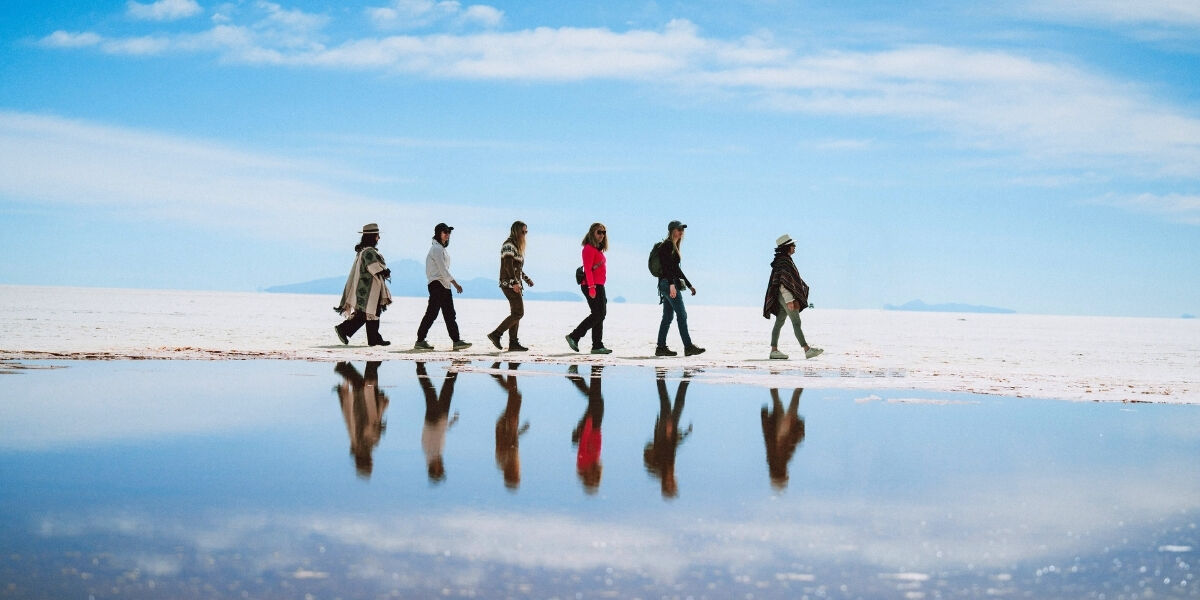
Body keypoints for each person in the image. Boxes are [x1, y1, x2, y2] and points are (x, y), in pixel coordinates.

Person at [763, 234, 822, 360]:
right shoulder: (784, 261)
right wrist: (789, 300)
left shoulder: (783, 260)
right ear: (787, 247)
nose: (795, 247)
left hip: (782, 296)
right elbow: (783, 283)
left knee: (779, 321)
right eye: (792, 245)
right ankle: (807, 350)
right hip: (786, 296)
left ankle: (774, 350)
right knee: (796, 322)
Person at [416, 223, 471, 351]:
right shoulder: (436, 249)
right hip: (437, 284)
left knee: (449, 314)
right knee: (432, 314)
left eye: (449, 232)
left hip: (443, 285)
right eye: (445, 232)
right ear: (438, 233)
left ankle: (456, 341)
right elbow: (442, 269)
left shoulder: (441, 248)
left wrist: (450, 284)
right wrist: (455, 283)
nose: (447, 234)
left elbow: (444, 269)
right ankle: (420, 340)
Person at [335, 223, 392, 346]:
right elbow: (373, 267)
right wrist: (385, 271)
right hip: (368, 290)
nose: (379, 238)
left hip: (366, 288)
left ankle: (374, 338)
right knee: (367, 314)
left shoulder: (364, 251)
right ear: (372, 236)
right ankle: (344, 329)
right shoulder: (369, 252)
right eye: (377, 236)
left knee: (371, 313)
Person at [656, 221, 705, 357]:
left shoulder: (674, 246)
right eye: (679, 229)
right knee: (682, 315)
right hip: (668, 284)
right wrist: (672, 285)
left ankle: (661, 347)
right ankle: (688, 346)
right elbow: (667, 267)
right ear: (672, 230)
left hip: (667, 284)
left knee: (667, 317)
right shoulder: (666, 245)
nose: (681, 231)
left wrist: (689, 285)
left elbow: (676, 269)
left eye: (682, 229)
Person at [334, 361, 389, 479]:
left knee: (370, 374)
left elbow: (354, 418)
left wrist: (381, 406)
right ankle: (343, 368)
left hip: (365, 403)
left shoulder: (364, 442)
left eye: (369, 464)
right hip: (367, 401)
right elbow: (374, 422)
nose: (372, 462)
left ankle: (343, 368)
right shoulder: (365, 443)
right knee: (367, 377)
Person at [644, 367, 693, 498]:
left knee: (667, 402)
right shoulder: (667, 470)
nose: (673, 481)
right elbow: (672, 449)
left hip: (665, 433)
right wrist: (684, 435)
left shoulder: (661, 469)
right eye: (674, 484)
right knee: (674, 402)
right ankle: (684, 375)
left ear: (665, 484)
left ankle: (663, 374)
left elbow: (663, 449)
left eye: (671, 484)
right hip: (668, 434)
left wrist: (667, 431)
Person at [487, 221, 535, 352]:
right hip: (509, 284)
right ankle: (496, 334)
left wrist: (526, 279)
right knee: (519, 312)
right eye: (523, 231)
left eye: (526, 232)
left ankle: (513, 343)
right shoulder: (508, 245)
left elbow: (517, 268)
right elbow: (508, 266)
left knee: (516, 313)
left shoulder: (516, 246)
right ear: (516, 231)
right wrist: (514, 283)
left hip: (515, 284)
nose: (525, 234)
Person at [566, 223, 611, 354]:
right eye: (599, 232)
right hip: (592, 285)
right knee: (598, 314)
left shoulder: (597, 249)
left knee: (600, 315)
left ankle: (597, 345)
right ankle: (574, 336)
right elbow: (588, 270)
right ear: (592, 233)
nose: (602, 235)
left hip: (599, 285)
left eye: (604, 232)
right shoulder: (588, 249)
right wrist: (592, 287)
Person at [418, 361, 458, 483]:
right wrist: (450, 422)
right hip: (439, 419)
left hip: (435, 418)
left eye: (439, 469)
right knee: (438, 390)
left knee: (437, 390)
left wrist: (440, 421)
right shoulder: (435, 455)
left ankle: (420, 367)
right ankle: (420, 367)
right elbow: (440, 435)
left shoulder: (431, 454)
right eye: (441, 469)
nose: (441, 467)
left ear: (432, 468)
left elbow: (430, 435)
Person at [567, 364, 605, 493]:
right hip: (596, 428)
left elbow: (583, 443)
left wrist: (588, 422)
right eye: (596, 481)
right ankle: (578, 376)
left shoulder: (584, 463)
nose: (596, 479)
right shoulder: (593, 465)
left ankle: (594, 370)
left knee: (597, 399)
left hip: (591, 427)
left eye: (593, 480)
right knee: (595, 398)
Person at [491, 362, 529, 490]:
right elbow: (514, 441)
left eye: (517, 476)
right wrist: (522, 429)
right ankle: (507, 371)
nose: (519, 473)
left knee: (515, 396)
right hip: (509, 425)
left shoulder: (505, 461)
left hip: (506, 425)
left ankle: (500, 373)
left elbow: (506, 441)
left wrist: (509, 423)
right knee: (515, 396)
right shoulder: (506, 462)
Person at [761, 388, 806, 490]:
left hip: (784, 430)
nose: (787, 474)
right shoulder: (776, 460)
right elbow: (768, 439)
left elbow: (772, 440)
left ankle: (775, 374)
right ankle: (774, 374)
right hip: (784, 429)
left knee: (792, 397)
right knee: (779, 398)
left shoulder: (778, 460)